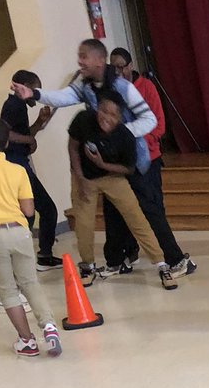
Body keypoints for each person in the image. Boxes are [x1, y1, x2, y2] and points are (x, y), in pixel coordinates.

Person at [101, 47, 196, 282]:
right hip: (118, 162)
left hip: (146, 160)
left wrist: (130, 140)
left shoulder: (146, 88)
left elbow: (158, 126)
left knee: (152, 209)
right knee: (113, 209)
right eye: (113, 67)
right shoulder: (111, 90)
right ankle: (119, 258)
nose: (118, 71)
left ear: (130, 65)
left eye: (122, 66)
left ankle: (176, 259)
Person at [11, 39, 158, 184]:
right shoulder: (85, 85)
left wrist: (120, 133)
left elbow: (150, 119)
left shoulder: (124, 87)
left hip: (134, 164)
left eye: (84, 56)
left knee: (146, 207)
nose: (79, 61)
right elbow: (63, 97)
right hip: (108, 167)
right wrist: (33, 93)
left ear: (100, 61)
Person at [67, 92, 174, 289]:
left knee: (136, 218)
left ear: (120, 118)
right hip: (85, 178)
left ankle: (161, 264)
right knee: (84, 223)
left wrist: (102, 163)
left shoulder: (124, 136)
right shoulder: (83, 120)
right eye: (103, 111)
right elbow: (73, 146)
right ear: (97, 108)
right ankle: (88, 267)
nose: (106, 117)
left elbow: (128, 169)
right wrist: (79, 177)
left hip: (113, 176)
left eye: (113, 115)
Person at [0, 115, 62, 358]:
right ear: (7, 142)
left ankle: (27, 341)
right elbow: (29, 210)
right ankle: (49, 326)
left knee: (7, 291)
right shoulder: (17, 170)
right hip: (20, 232)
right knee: (30, 283)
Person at [0, 70, 61, 270]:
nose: (37, 93)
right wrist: (28, 140)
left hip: (20, 162)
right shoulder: (13, 106)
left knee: (36, 212)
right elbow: (6, 135)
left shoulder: (18, 107)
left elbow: (26, 134)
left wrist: (40, 122)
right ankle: (33, 257)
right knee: (36, 212)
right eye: (36, 88)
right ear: (24, 87)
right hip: (16, 164)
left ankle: (39, 256)